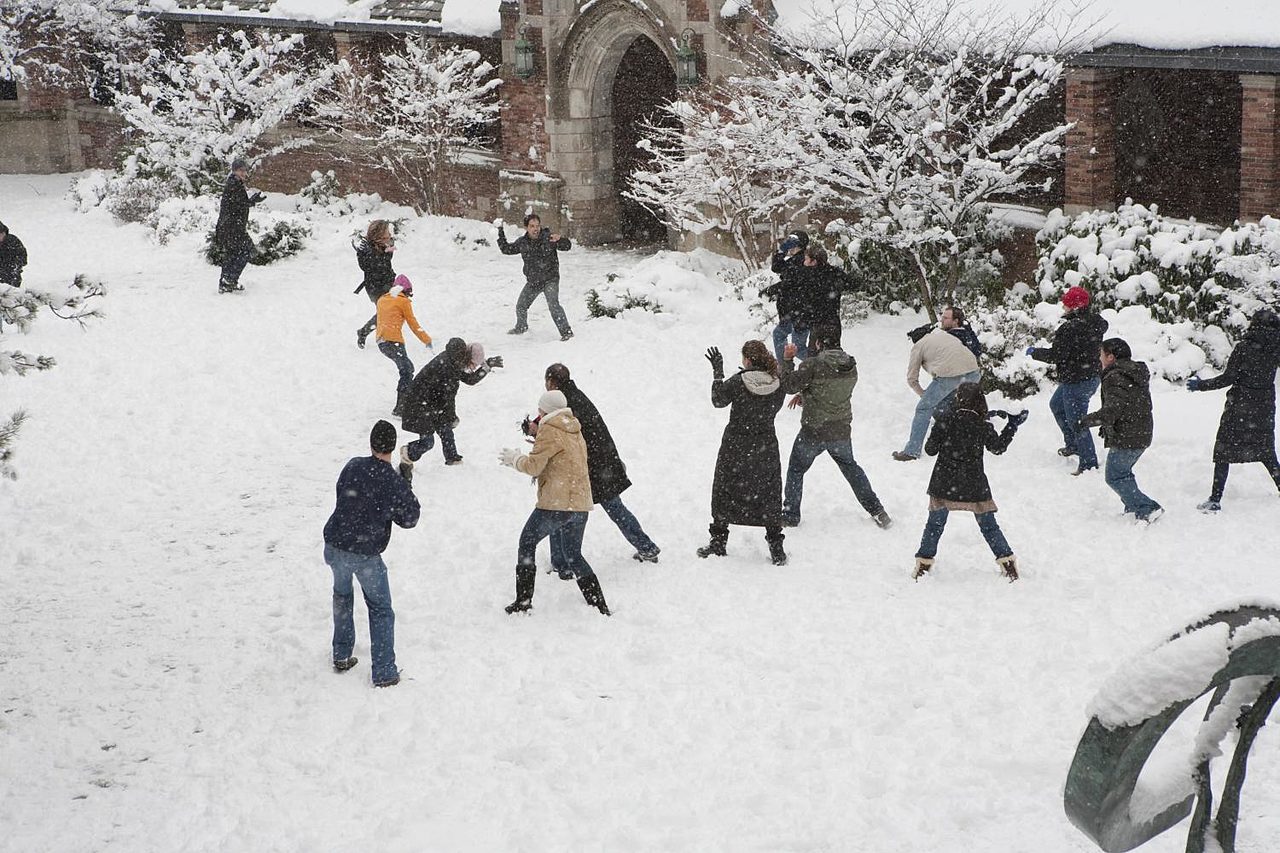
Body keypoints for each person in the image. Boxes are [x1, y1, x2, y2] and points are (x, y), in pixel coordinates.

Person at [322, 420, 419, 688]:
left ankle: (341, 653)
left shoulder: (353, 465)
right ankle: (385, 671)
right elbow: (410, 518)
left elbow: (343, 493)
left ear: (371, 443)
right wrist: (404, 484)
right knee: (380, 609)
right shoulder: (391, 481)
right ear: (392, 445)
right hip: (365, 553)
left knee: (342, 596)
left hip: (335, 545)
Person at [499, 389, 610, 616]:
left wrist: (515, 459)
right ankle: (599, 604)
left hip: (556, 504)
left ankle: (523, 601)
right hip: (579, 503)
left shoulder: (549, 430)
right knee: (573, 554)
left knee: (527, 542)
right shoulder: (575, 429)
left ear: (545, 409)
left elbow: (534, 467)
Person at [543, 363, 661, 563]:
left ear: (552, 382)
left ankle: (562, 561)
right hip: (604, 462)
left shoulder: (564, 402)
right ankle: (646, 547)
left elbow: (562, 434)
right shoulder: (576, 395)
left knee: (561, 508)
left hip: (590, 466)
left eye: (546, 381)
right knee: (615, 508)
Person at [779, 325, 892, 530]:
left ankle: (791, 514)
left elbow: (788, 385)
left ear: (817, 343)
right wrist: (807, 395)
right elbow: (830, 389)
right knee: (851, 468)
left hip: (814, 429)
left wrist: (787, 360)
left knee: (796, 469)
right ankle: (877, 510)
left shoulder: (811, 364)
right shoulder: (850, 365)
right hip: (840, 429)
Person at [913, 382, 1026, 582]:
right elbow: (998, 448)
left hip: (944, 483)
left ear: (957, 400)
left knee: (934, 526)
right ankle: (1008, 563)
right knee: (989, 527)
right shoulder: (982, 426)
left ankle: (923, 564)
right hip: (973, 484)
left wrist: (938, 428)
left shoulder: (945, 421)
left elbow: (930, 450)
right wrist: (1012, 426)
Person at [700, 340, 788, 565]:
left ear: (747, 360)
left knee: (724, 488)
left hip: (736, 445)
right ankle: (776, 546)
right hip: (765, 445)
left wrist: (718, 372)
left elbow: (718, 400)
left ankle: (718, 541)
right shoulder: (777, 383)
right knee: (769, 492)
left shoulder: (739, 382)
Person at [1187, 308, 1280, 512]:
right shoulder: (1276, 348)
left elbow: (1228, 378)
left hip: (1240, 405)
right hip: (1264, 405)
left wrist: (1201, 385)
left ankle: (1215, 498)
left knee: (1224, 451)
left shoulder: (1244, 348)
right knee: (1266, 449)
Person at [1027, 285, 1109, 474]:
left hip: (1076, 380)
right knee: (1057, 405)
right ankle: (1073, 445)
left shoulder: (1070, 328)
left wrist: (1035, 352)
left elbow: (1057, 355)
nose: (1063, 307)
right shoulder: (1095, 322)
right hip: (1088, 376)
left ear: (1075, 306)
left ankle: (1088, 462)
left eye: (1066, 304)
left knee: (1078, 421)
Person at [1079, 338, 1163, 523]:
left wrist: (1086, 421)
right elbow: (1127, 404)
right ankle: (1133, 508)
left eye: (1101, 355)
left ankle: (1147, 508)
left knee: (1114, 476)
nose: (1099, 359)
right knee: (1123, 472)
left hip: (1129, 435)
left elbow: (1113, 409)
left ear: (1110, 357)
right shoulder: (1131, 372)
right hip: (1140, 431)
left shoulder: (1115, 376)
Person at [398, 338, 503, 480]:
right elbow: (448, 397)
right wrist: (452, 416)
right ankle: (408, 453)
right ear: (467, 358)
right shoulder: (448, 366)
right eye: (473, 364)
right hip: (418, 405)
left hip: (431, 404)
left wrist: (486, 366)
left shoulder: (453, 359)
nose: (472, 368)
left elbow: (469, 379)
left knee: (445, 427)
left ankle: (452, 458)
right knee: (428, 441)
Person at [893, 306, 981, 461]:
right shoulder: (941, 334)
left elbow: (912, 379)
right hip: (974, 373)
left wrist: (925, 396)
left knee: (923, 409)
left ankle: (912, 450)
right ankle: (956, 439)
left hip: (950, 376)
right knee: (949, 405)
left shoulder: (918, 347)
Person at [497, 214, 574, 340]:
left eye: (537, 226)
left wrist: (560, 240)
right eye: (532, 226)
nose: (535, 229)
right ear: (526, 228)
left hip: (550, 279)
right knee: (521, 306)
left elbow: (567, 246)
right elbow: (506, 249)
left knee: (553, 304)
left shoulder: (548, 239)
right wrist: (500, 231)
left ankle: (566, 332)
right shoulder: (522, 243)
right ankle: (521, 327)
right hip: (534, 281)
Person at [375, 275, 433, 417]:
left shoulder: (382, 300)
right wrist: (426, 339)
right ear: (406, 290)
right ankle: (401, 407)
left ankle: (405, 403)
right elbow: (413, 323)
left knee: (407, 369)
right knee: (406, 371)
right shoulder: (403, 301)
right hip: (394, 341)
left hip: (382, 342)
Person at [213, 156, 264, 293]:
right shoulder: (234, 185)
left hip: (230, 227)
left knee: (232, 253)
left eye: (244, 170)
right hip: (232, 227)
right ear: (234, 171)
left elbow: (237, 204)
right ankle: (229, 280)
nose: (243, 173)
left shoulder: (234, 183)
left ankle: (226, 281)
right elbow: (237, 206)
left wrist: (251, 201)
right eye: (240, 170)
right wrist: (250, 201)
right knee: (246, 251)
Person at [764, 231, 810, 363]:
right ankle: (784, 367)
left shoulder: (802, 261)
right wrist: (781, 250)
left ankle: (820, 366)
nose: (789, 245)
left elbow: (790, 283)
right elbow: (776, 267)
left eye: (791, 242)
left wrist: (772, 289)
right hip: (791, 313)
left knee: (799, 348)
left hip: (799, 313)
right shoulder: (795, 260)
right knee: (779, 335)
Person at [354, 220, 397, 349]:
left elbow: (387, 262)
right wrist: (383, 252)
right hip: (375, 287)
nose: (390, 235)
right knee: (386, 312)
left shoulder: (386, 245)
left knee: (388, 312)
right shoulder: (365, 250)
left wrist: (388, 249)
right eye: (386, 233)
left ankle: (365, 332)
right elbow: (370, 267)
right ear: (378, 235)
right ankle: (368, 333)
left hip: (388, 282)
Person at [799, 245, 856, 333]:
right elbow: (852, 283)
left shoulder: (809, 276)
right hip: (832, 321)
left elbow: (806, 299)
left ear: (814, 261)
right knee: (832, 345)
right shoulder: (834, 272)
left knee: (818, 345)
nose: (804, 262)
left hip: (819, 322)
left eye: (806, 259)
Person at [0, 221, 27, 287]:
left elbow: (22, 257)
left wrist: (14, 267)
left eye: (1, 234)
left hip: (11, 276)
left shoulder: (13, 241)